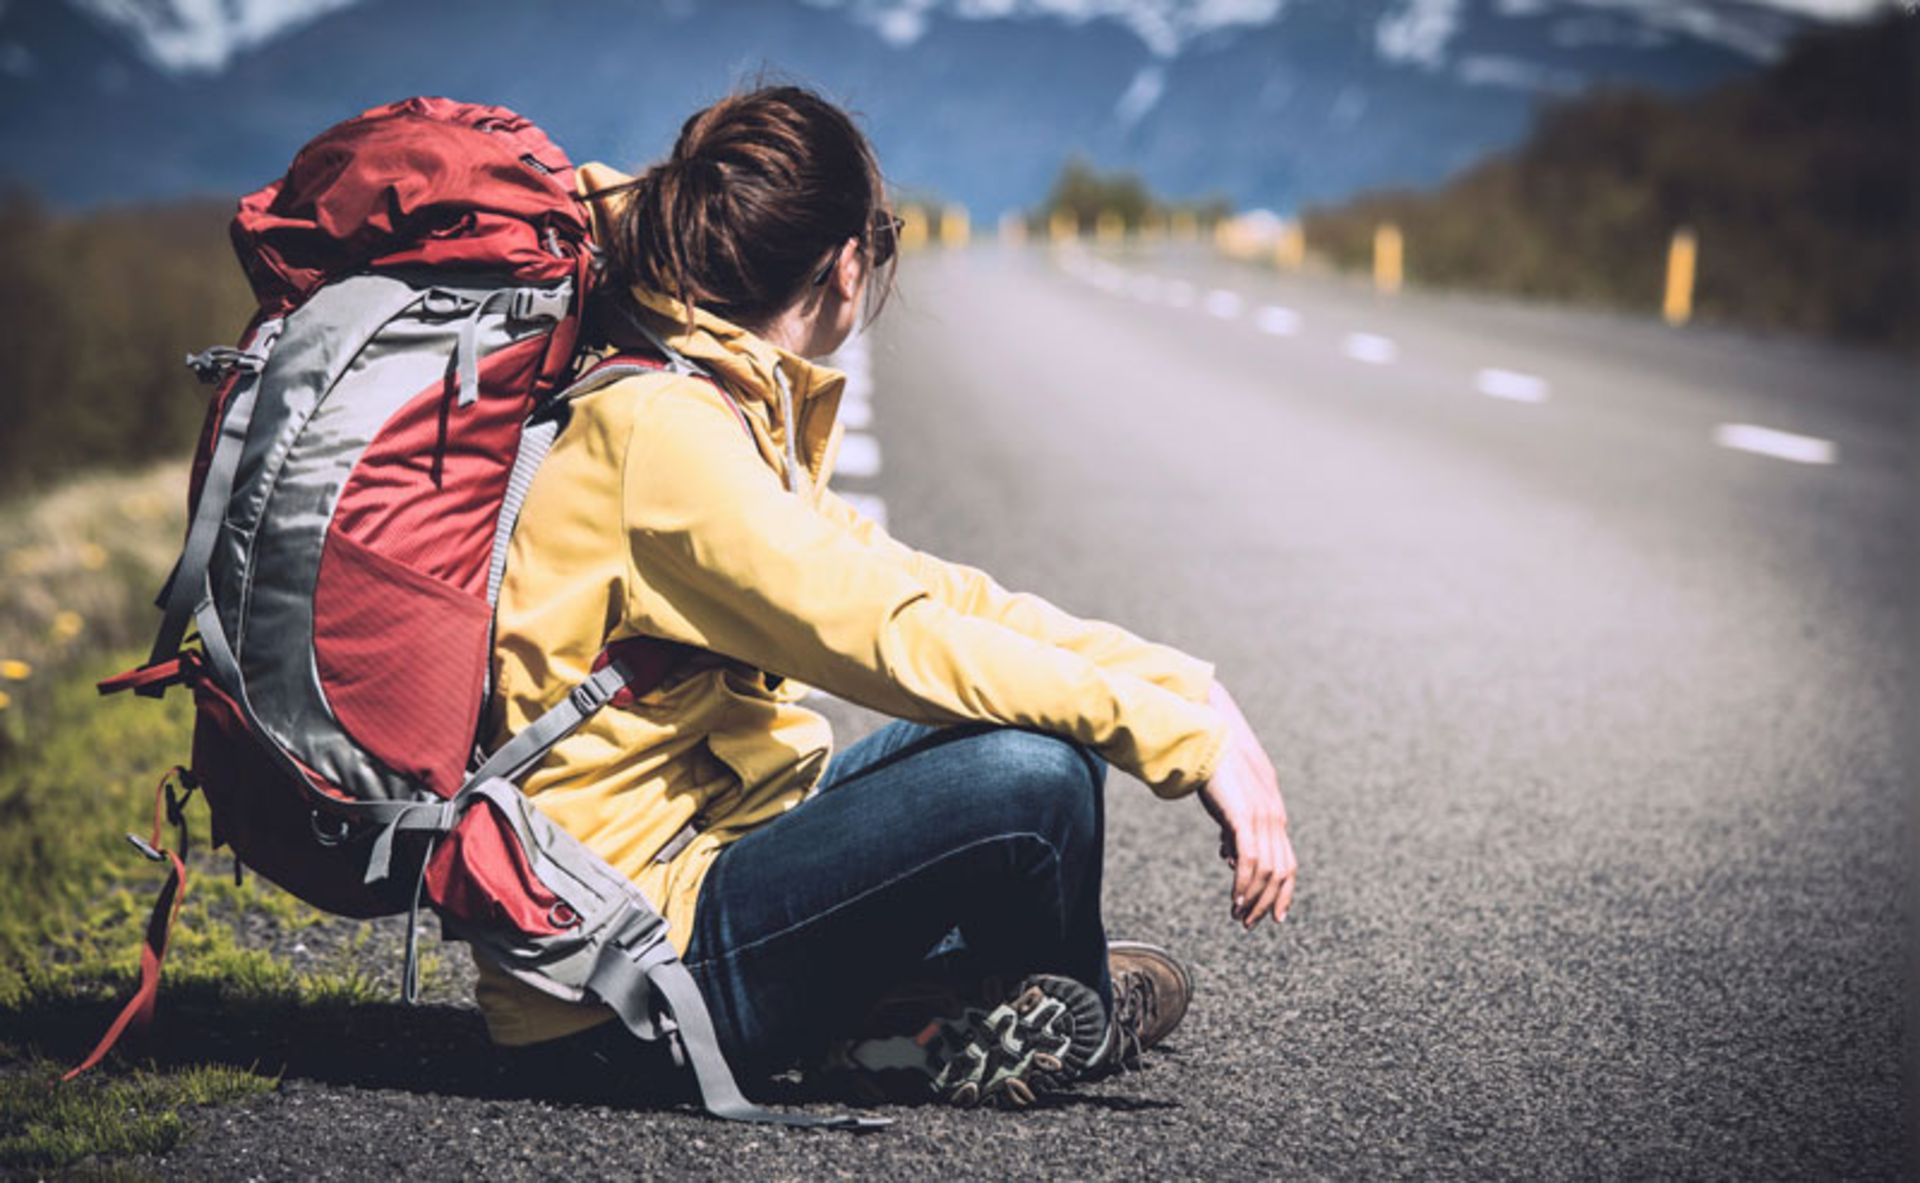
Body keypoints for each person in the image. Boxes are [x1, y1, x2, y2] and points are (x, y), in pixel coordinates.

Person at [478, 84, 1297, 1109]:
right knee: (1031, 781)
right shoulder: (666, 437)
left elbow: (926, 587)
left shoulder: (702, 396)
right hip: (625, 978)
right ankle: (1050, 1007)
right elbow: (890, 636)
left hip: (699, 869)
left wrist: (1186, 690)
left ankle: (930, 1010)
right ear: (847, 262)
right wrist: (1181, 747)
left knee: (1040, 743)